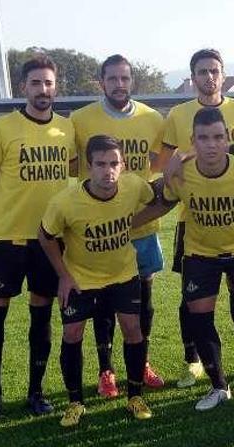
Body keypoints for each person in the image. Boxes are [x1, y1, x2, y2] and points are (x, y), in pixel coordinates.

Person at [135, 108, 234, 410]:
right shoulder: (181, 172)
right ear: (193, 141)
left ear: (227, 139)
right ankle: (219, 386)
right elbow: (164, 204)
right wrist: (127, 224)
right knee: (199, 317)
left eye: (218, 137)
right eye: (204, 138)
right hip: (200, 254)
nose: (212, 144)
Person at [0, 56, 75, 420]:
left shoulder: (67, 130)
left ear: (55, 87)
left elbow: (83, 173)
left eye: (48, 83)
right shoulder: (2, 128)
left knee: (41, 316)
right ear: (23, 87)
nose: (43, 89)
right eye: (36, 83)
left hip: (48, 240)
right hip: (6, 240)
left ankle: (36, 391)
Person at [162, 48, 234, 387]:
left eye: (214, 70)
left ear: (223, 75)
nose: (209, 77)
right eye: (202, 71)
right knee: (192, 300)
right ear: (192, 77)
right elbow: (168, 162)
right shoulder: (179, 113)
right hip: (191, 214)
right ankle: (194, 360)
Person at [38, 135, 156, 426]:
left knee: (133, 329)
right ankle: (75, 403)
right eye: (101, 164)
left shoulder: (133, 186)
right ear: (89, 167)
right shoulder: (65, 202)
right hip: (81, 279)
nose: (108, 170)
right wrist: (63, 276)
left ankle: (135, 396)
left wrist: (176, 169)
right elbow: (46, 236)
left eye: (114, 163)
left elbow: (159, 198)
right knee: (72, 334)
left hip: (123, 273)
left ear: (123, 165)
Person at [71, 54, 166, 398]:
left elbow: (159, 162)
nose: (119, 85)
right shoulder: (80, 120)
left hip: (141, 228)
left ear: (132, 81)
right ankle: (106, 370)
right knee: (103, 302)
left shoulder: (153, 118)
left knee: (144, 297)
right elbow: (70, 167)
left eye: (125, 78)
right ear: (101, 82)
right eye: (112, 79)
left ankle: (141, 364)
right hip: (98, 232)